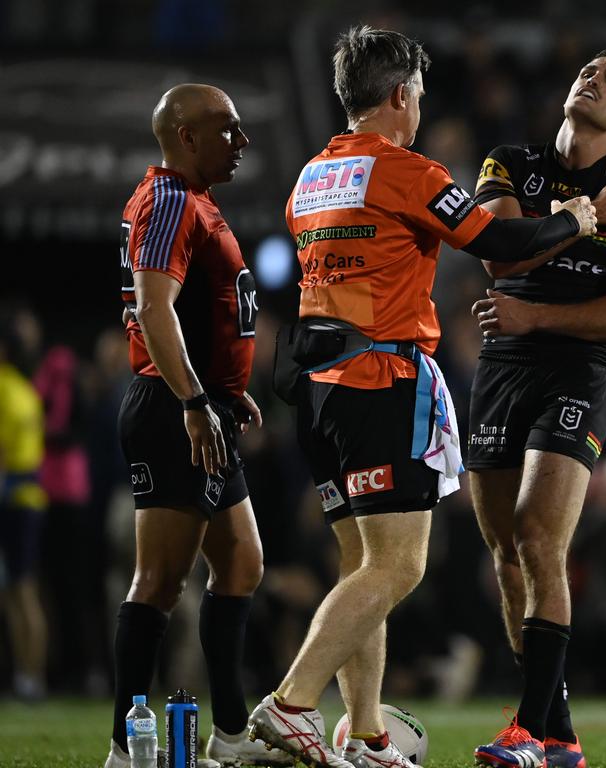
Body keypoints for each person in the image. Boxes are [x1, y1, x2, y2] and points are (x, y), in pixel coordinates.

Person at [247, 26, 603, 768]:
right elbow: (496, 244)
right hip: (380, 380)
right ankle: (289, 705)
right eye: (420, 95)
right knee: (399, 568)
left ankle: (370, 734)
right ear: (402, 95)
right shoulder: (405, 169)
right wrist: (577, 219)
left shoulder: (310, 177)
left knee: (361, 569)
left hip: (316, 391)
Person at [467, 48, 606, 768]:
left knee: (537, 537)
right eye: (589, 71)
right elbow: (496, 253)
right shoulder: (509, 163)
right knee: (505, 555)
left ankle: (526, 732)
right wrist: (584, 217)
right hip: (501, 369)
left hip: (575, 372)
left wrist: (537, 317)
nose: (595, 81)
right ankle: (561, 738)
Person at [104, 83, 290, 768]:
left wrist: (223, 389)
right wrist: (191, 399)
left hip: (199, 406)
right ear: (186, 135)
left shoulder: (193, 201)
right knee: (158, 580)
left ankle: (231, 736)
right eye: (228, 130)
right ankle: (127, 746)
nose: (242, 142)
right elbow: (156, 309)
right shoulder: (172, 201)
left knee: (242, 561)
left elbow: (198, 311)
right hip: (170, 411)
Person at [0, 306, 48, 701]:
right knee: (23, 590)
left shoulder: (3, 387)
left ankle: (28, 678)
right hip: (31, 498)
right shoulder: (25, 389)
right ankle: (29, 677)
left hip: (12, 499)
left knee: (20, 592)